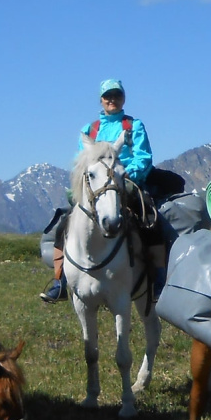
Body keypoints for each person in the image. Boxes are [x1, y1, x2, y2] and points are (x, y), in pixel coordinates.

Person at [40, 79, 157, 303]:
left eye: (116, 95)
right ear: (101, 100)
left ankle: (157, 278)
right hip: (95, 185)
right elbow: (80, 160)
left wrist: (125, 174)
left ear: (123, 98)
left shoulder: (133, 126)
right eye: (107, 96)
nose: (112, 99)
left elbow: (143, 157)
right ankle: (61, 281)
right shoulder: (88, 130)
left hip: (126, 180)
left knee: (151, 220)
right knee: (64, 223)